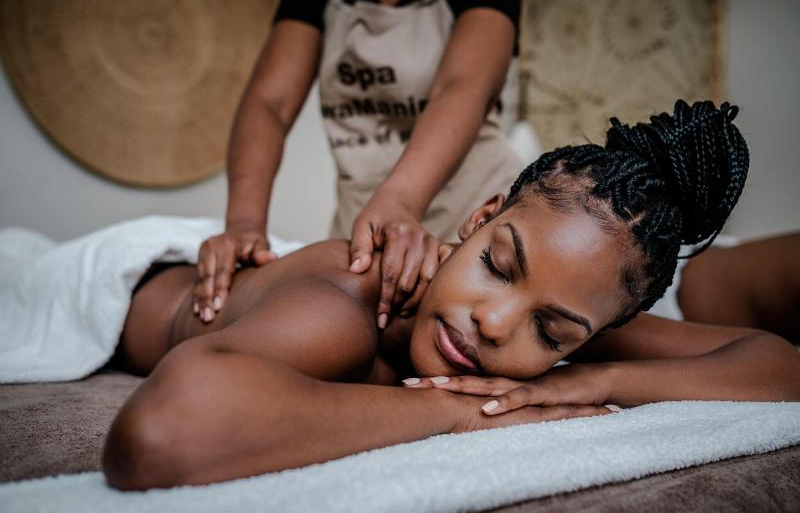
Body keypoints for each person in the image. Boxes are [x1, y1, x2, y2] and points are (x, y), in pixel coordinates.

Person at [102, 100, 800, 490]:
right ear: (477, 219)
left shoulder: (559, 315)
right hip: (129, 280)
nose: (494, 322)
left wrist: (588, 378)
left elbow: (779, 365)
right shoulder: (348, 303)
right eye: (497, 264)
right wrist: (458, 413)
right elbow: (160, 433)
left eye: (552, 333)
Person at [193, 0, 525, 331]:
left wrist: (397, 201)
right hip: (364, 233)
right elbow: (269, 103)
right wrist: (244, 225)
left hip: (468, 221)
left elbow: (463, 87)